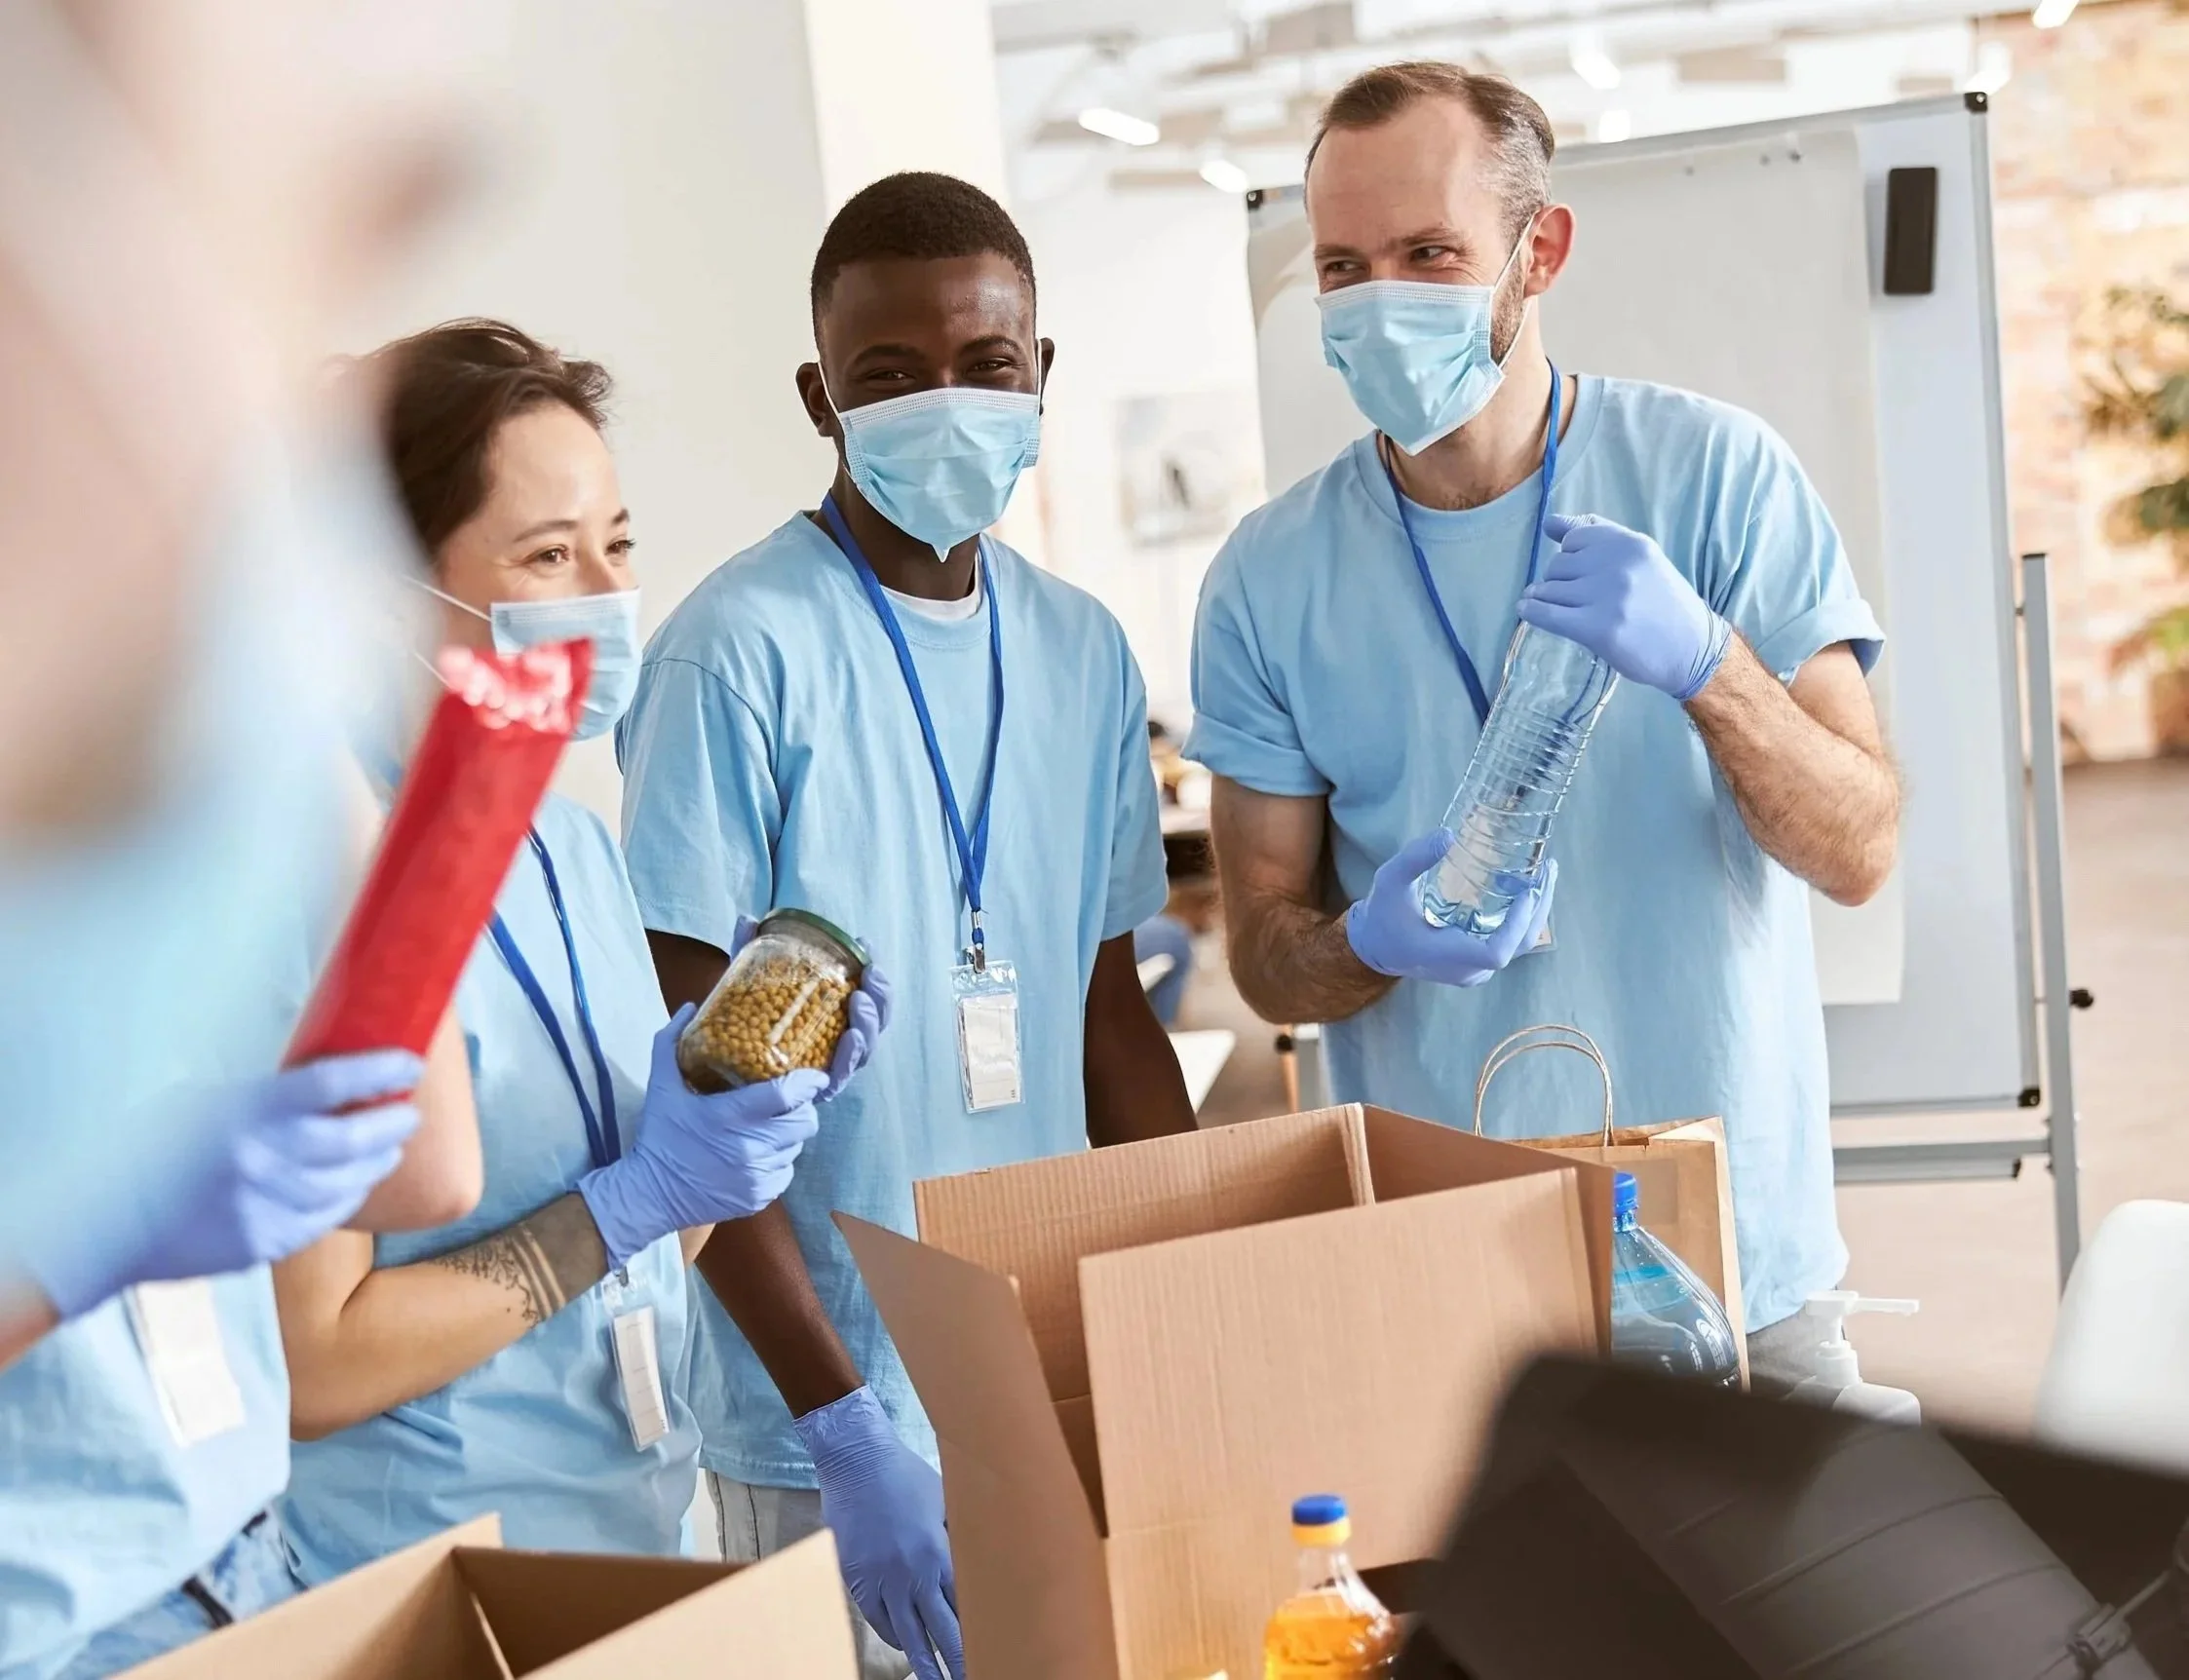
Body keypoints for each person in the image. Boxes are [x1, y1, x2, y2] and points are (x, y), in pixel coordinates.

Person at [1187, 63, 1899, 1391]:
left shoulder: (1715, 477)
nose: (1380, 300)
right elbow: (1269, 958)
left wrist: (1707, 666)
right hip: (1445, 1274)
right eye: (1342, 266)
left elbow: (1857, 849)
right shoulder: (1266, 576)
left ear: (1538, 249)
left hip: (1735, 1260)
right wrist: (1362, 940)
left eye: (1428, 253)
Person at [617, 172, 1196, 1679]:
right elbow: (683, 1097)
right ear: (821, 395)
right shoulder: (735, 654)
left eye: (986, 364)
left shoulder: (1078, 651)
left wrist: (1187, 1309)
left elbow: (1108, 1012)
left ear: (1040, 374)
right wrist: (841, 1424)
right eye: (889, 375)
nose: (946, 400)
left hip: (1048, 1371)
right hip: (832, 1405)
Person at [274, 322, 888, 1578]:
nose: (605, 597)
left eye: (616, 546)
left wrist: (735, 1138)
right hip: (432, 1569)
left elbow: (651, 1233)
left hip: (640, 1524)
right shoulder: (318, 878)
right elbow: (316, 1360)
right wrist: (635, 1203)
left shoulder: (569, 840)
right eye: (548, 555)